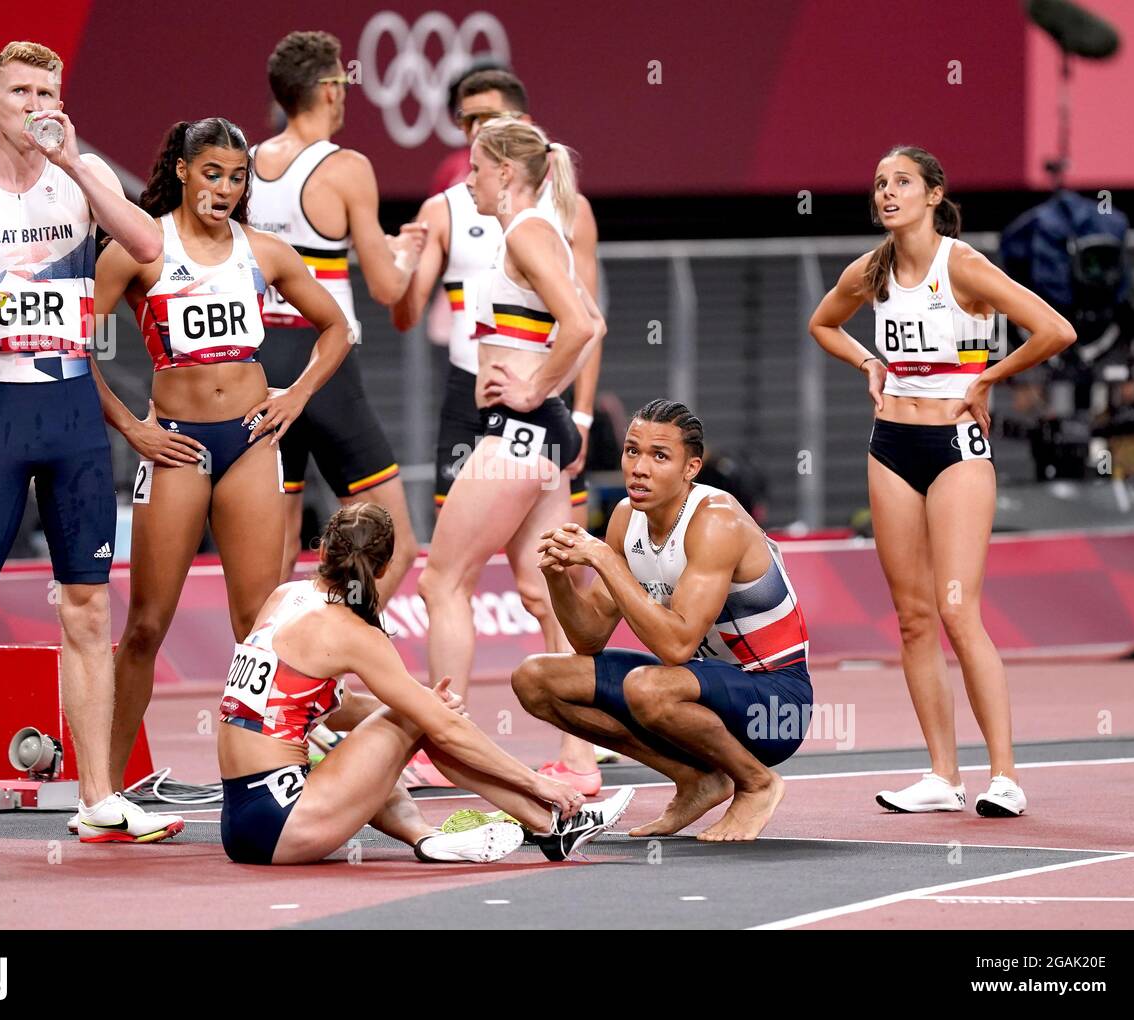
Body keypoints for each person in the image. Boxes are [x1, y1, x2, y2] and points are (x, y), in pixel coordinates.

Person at [0, 41, 181, 846]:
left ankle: (94, 798)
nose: (35, 101)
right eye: (20, 90)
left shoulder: (81, 184)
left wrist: (79, 163)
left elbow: (149, 246)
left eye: (47, 89)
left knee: (87, 607)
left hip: (73, 419)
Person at [808, 145, 1076, 817]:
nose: (887, 192)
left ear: (934, 194)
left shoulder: (964, 265)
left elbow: (1055, 329)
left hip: (956, 445)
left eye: (901, 182)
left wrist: (988, 376)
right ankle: (940, 775)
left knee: (958, 609)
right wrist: (869, 361)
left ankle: (1006, 776)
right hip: (891, 444)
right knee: (913, 618)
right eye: (879, 184)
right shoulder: (871, 270)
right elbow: (822, 323)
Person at [89, 117, 352, 795]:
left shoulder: (265, 252)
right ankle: (105, 793)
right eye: (212, 173)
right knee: (146, 624)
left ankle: (277, 772)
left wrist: (295, 396)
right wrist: (130, 426)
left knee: (259, 622)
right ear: (181, 170)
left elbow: (336, 328)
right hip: (175, 444)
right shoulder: (139, 248)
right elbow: (69, 346)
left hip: (252, 441)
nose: (226, 188)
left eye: (237, 177)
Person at [393, 69, 607, 791]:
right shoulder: (532, 226)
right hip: (531, 433)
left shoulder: (527, 227)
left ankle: (445, 742)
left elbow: (586, 323)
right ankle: (579, 760)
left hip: (518, 432)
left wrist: (535, 387)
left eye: (479, 168)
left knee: (441, 580)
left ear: (507, 172)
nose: (471, 179)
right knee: (542, 590)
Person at [219, 503, 635, 864]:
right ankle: (551, 822)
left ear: (323, 549)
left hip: (239, 824)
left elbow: (305, 707)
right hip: (286, 822)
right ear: (383, 569)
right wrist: (537, 781)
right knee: (424, 718)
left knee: (419, 710)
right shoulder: (353, 632)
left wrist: (420, 703)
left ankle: (426, 836)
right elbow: (443, 728)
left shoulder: (283, 597)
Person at [512, 400, 813, 842]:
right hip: (698, 686)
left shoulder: (716, 522)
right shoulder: (625, 519)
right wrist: (557, 579)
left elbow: (676, 648)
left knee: (648, 687)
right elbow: (590, 638)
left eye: (659, 456)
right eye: (632, 451)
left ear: (690, 468)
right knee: (536, 678)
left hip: (775, 704)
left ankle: (756, 782)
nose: (639, 468)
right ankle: (698, 780)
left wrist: (603, 561)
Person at [248, 30, 425, 598]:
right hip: (323, 362)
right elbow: (384, 285)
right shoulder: (346, 167)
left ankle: (269, 679)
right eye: (342, 84)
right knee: (392, 545)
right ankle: (334, 648)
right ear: (326, 90)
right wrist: (410, 253)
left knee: (272, 553)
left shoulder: (246, 163)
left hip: (255, 359)